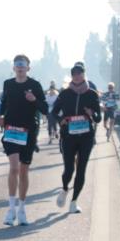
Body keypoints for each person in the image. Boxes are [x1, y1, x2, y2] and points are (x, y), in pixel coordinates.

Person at [0, 55, 47, 226]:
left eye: (23, 65)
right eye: (17, 65)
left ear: (28, 68)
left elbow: (45, 108)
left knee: (24, 171)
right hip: (12, 130)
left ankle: (22, 209)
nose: (20, 68)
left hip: (29, 131)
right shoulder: (8, 84)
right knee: (14, 168)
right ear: (14, 68)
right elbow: (3, 104)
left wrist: (34, 100)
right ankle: (11, 210)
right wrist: (1, 115)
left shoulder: (35, 85)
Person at [51, 62, 101, 214]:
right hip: (69, 136)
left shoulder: (92, 94)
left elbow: (98, 118)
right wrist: (61, 120)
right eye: (75, 74)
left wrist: (92, 114)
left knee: (81, 169)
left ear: (84, 75)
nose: (78, 76)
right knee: (69, 169)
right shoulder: (65, 94)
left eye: (80, 73)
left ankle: (74, 202)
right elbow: (54, 113)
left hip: (86, 136)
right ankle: (65, 189)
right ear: (72, 76)